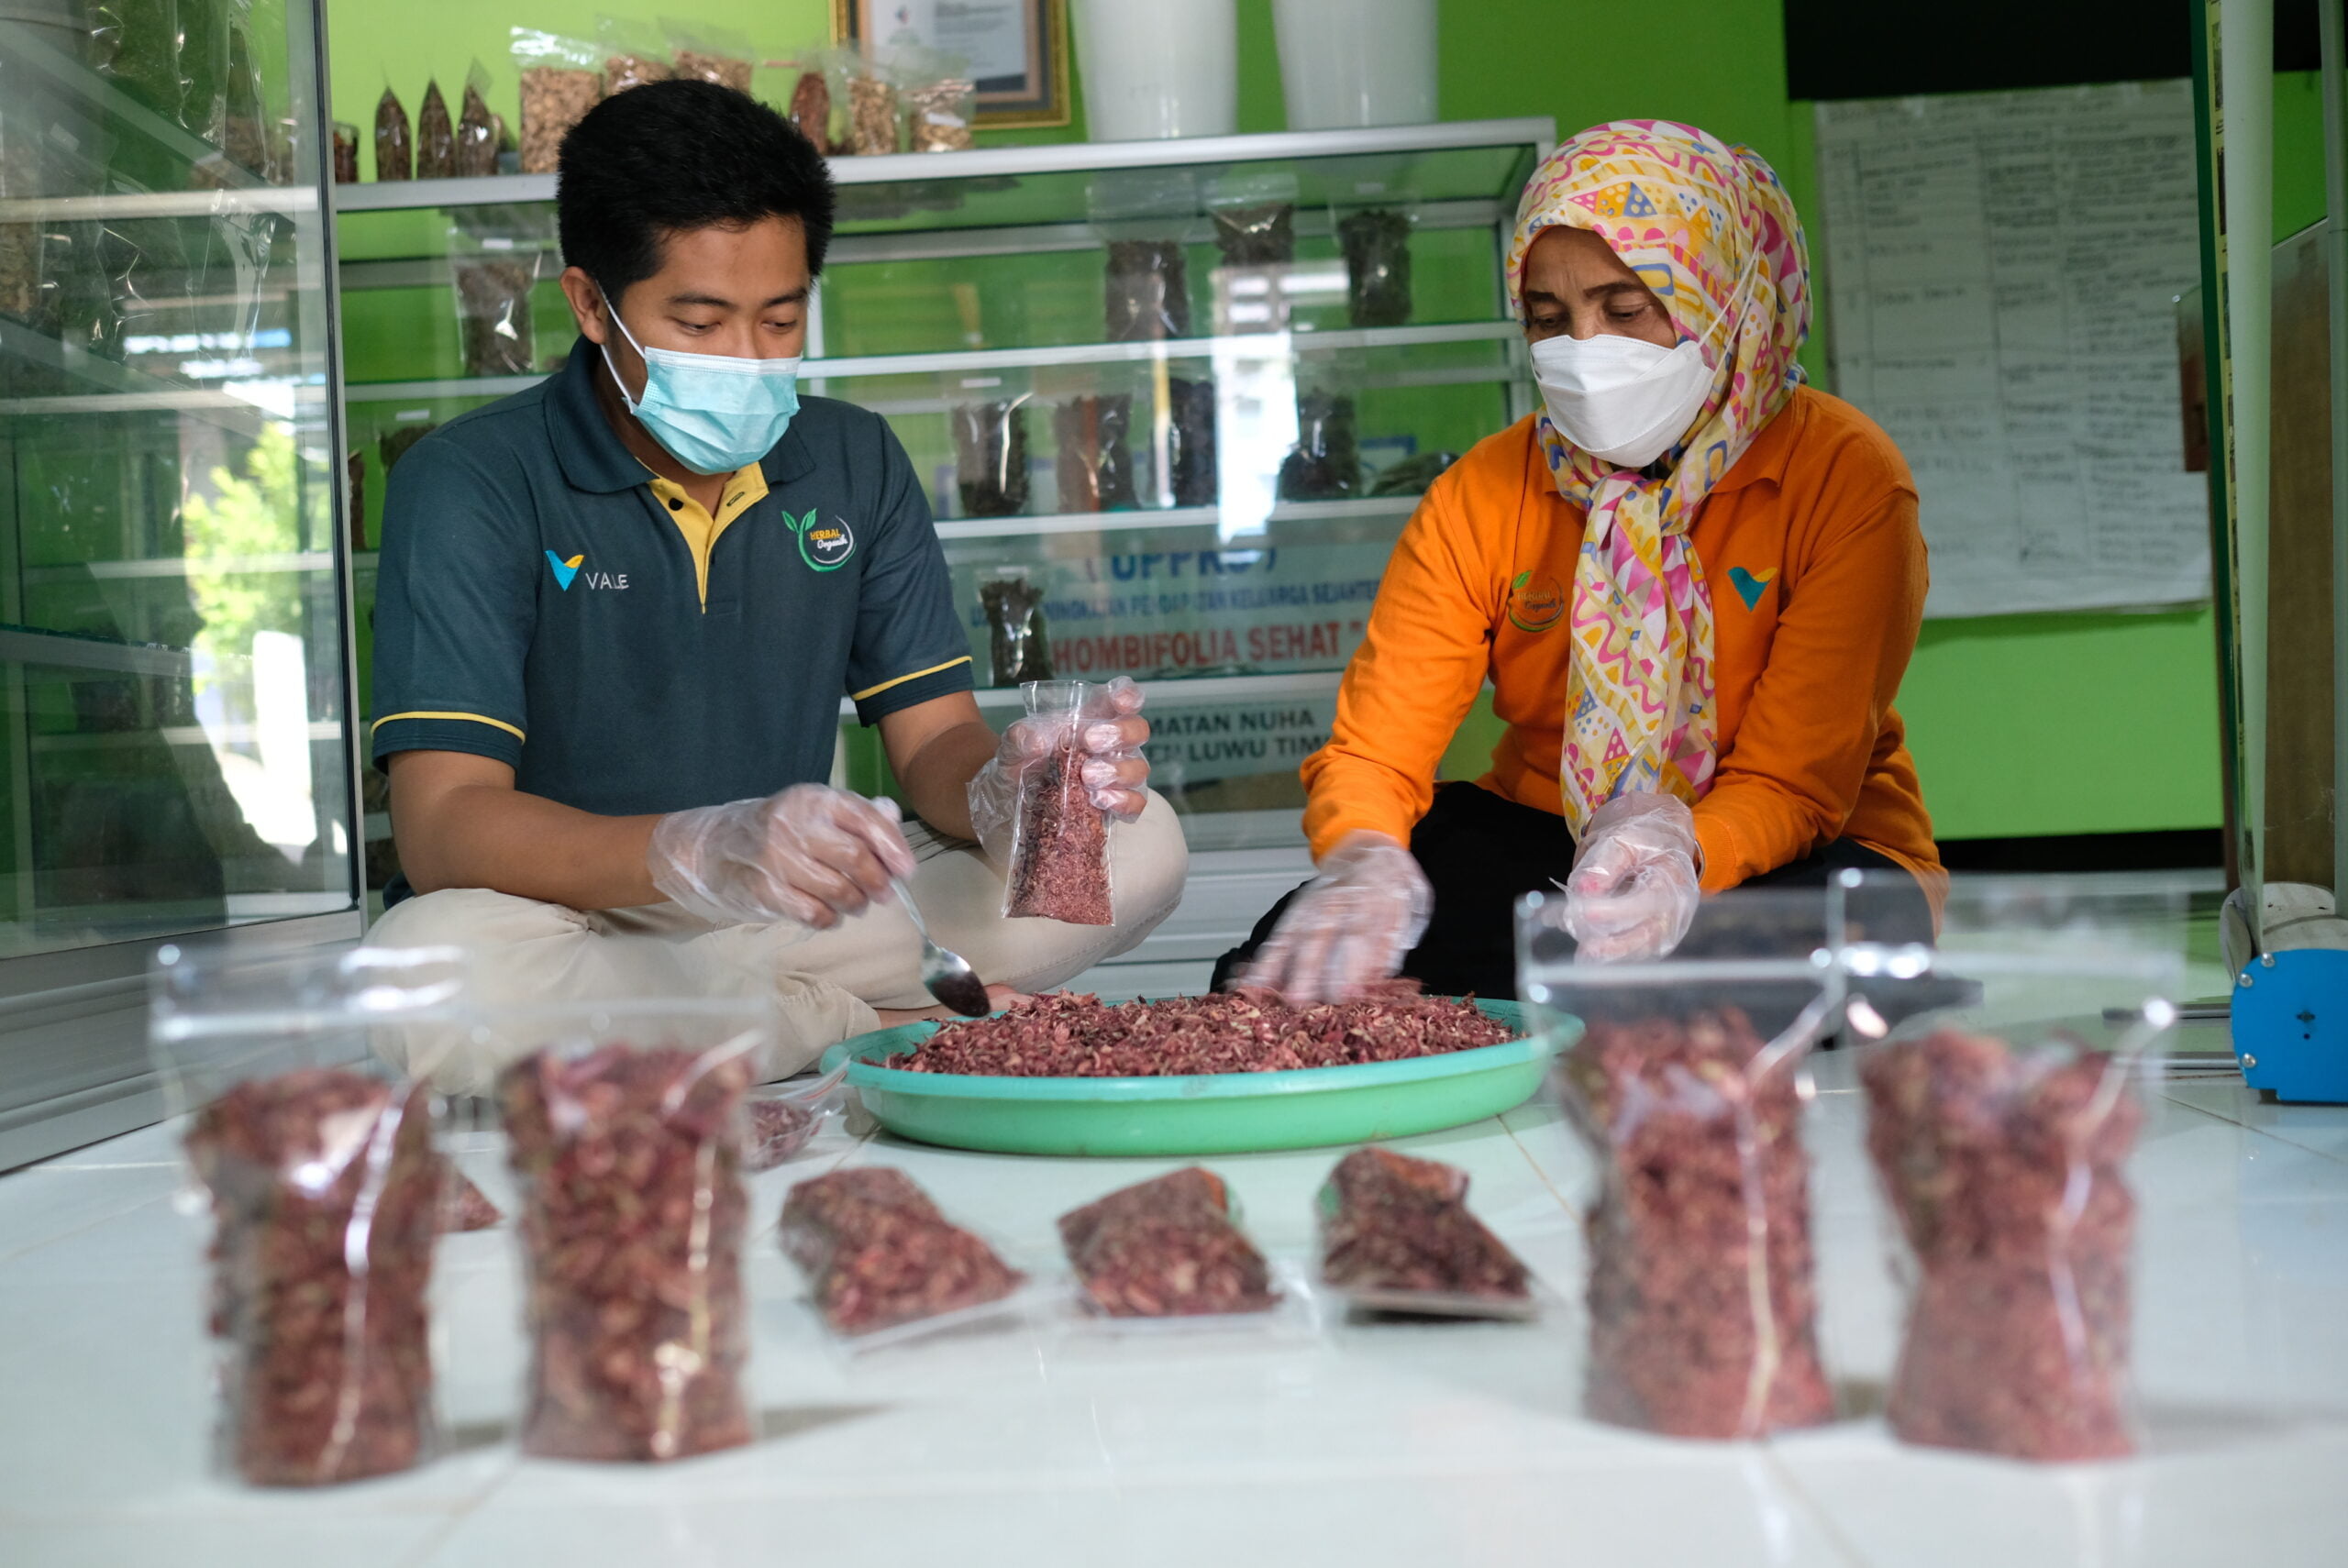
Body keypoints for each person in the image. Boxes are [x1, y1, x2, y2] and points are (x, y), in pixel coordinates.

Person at [365, 82, 1187, 1088]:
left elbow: (932, 739)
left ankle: (747, 1022)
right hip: (564, 921)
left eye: (780, 319)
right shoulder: (473, 481)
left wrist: (1006, 795)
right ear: (590, 303)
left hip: (792, 918)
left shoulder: (853, 459)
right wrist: (696, 849)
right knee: (419, 978)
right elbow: (445, 822)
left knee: (1141, 847)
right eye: (700, 323)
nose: (747, 361)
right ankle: (853, 1023)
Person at [1222, 120, 1941, 1003]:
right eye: (1549, 319)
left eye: (1626, 307)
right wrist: (1363, 857)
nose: (1585, 349)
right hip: (1546, 833)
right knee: (1280, 974)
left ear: (1725, 296)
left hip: (1789, 845)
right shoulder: (1487, 489)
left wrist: (1681, 850)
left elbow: (1792, 784)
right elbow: (1376, 751)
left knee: (1753, 975)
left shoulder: (1844, 476)